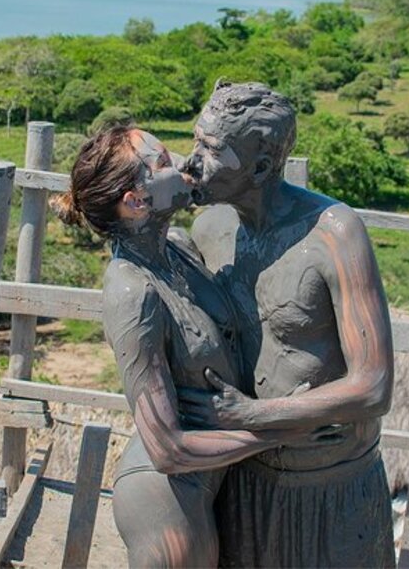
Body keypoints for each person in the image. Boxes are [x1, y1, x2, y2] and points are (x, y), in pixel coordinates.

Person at [51, 125, 318, 568]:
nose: (182, 162)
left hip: (209, 481)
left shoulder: (177, 247)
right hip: (167, 499)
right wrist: (279, 433)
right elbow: (167, 449)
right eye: (162, 162)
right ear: (136, 202)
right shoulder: (132, 292)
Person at [179, 81, 397, 568]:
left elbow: (375, 386)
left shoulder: (334, 232)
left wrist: (253, 415)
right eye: (195, 141)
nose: (190, 162)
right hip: (245, 481)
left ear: (259, 166)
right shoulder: (209, 228)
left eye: (211, 150)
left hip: (333, 489)